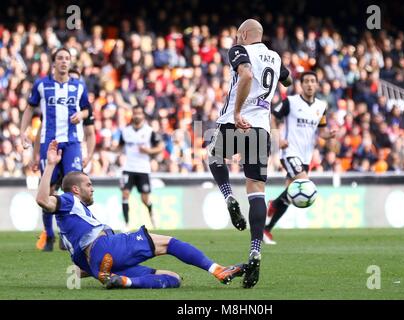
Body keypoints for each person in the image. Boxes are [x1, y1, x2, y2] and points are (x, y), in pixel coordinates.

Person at [35, 140, 245, 289]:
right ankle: (218, 270)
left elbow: (80, 267)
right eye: (88, 185)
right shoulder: (69, 201)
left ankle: (125, 282)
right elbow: (43, 200)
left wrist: (91, 269)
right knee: (168, 243)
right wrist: (51, 165)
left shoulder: (72, 224)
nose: (92, 188)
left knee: (173, 278)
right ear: (75, 189)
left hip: (101, 266)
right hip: (107, 248)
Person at [207, 19, 292, 288]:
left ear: (243, 34)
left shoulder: (238, 50)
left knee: (213, 156)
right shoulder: (276, 57)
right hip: (261, 128)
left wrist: (237, 112)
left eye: (237, 35)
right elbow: (287, 80)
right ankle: (255, 249)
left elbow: (245, 75)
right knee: (256, 190)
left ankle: (228, 197)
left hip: (238, 120)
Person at [20, 48, 90, 251]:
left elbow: (88, 109)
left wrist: (82, 115)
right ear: (54, 63)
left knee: (74, 186)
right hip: (49, 142)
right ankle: (49, 234)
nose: (64, 61)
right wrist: (24, 132)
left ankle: (70, 235)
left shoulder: (78, 86)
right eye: (60, 58)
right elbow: (29, 109)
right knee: (48, 189)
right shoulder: (41, 84)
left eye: (67, 58)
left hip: (72, 143)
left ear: (70, 62)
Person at [264, 71, 337, 244]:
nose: (310, 84)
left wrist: (329, 135)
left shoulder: (321, 106)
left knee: (290, 196)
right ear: (301, 85)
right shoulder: (290, 102)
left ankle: (266, 229)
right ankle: (273, 206)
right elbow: (273, 116)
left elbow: (322, 131)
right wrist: (277, 138)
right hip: (289, 152)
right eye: (306, 81)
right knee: (304, 185)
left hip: (306, 157)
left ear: (317, 85)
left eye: (313, 81)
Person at [112, 105, 164, 230]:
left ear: (143, 116)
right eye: (135, 113)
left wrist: (148, 150)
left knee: (145, 199)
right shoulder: (125, 131)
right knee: (125, 194)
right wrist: (112, 148)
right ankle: (126, 224)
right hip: (128, 167)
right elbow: (120, 147)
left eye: (139, 113)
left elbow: (160, 146)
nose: (137, 115)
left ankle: (152, 213)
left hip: (143, 169)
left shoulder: (149, 131)